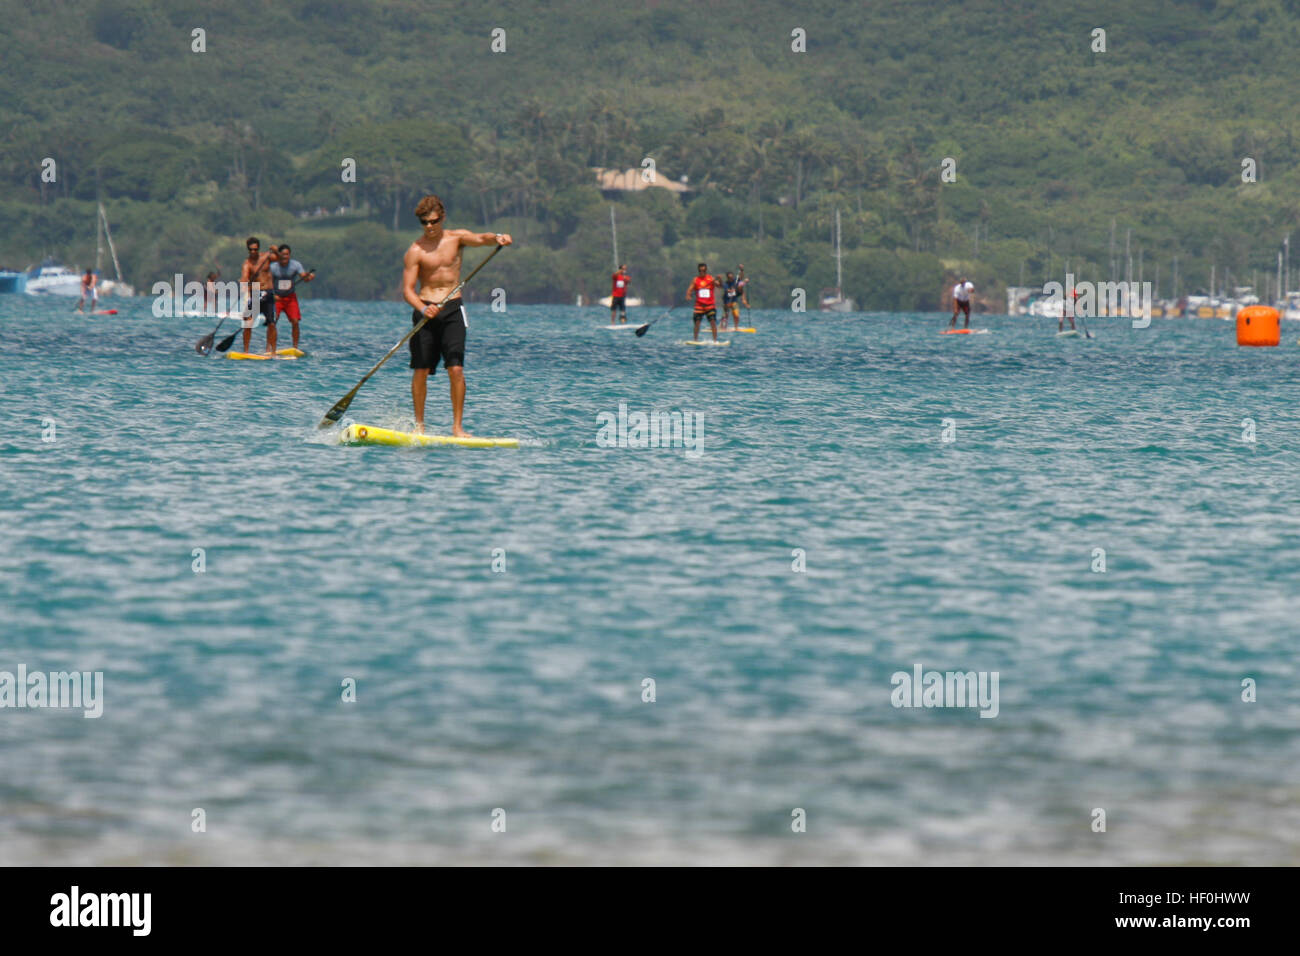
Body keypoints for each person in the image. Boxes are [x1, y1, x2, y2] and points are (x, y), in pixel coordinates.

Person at [401, 194, 512, 436]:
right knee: (421, 370)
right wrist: (422, 307)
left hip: (452, 309)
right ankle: (419, 426)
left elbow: (482, 238)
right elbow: (408, 290)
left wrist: (497, 237)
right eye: (424, 223)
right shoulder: (415, 250)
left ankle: (457, 427)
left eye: (433, 221)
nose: (429, 227)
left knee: (456, 369)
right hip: (425, 312)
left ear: (442, 218)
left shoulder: (456, 238)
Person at [270, 245, 315, 349]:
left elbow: (304, 278)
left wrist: (309, 277)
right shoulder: (273, 267)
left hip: (290, 298)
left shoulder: (295, 265)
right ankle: (270, 348)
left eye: (287, 254)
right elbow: (268, 283)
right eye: (283, 254)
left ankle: (295, 347)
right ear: (279, 255)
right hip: (276, 298)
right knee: (272, 323)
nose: (285, 257)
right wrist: (272, 295)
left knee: (295, 322)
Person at [239, 237, 277, 353]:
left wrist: (276, 251)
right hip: (255, 294)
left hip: (268, 292)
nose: (253, 252)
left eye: (255, 249)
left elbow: (279, 259)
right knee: (248, 323)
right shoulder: (247, 264)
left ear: (258, 248)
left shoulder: (266, 257)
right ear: (248, 250)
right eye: (251, 250)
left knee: (271, 323)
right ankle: (246, 351)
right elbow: (245, 276)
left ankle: (272, 351)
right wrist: (244, 283)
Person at [686, 262, 722, 341]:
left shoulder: (711, 279)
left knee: (712, 322)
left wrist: (720, 279)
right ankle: (695, 340)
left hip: (710, 305)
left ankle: (715, 340)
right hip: (699, 305)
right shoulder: (695, 279)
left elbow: (719, 286)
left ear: (706, 270)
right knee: (697, 323)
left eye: (704, 270)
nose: (702, 272)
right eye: (700, 271)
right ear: (698, 271)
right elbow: (690, 289)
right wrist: (688, 295)